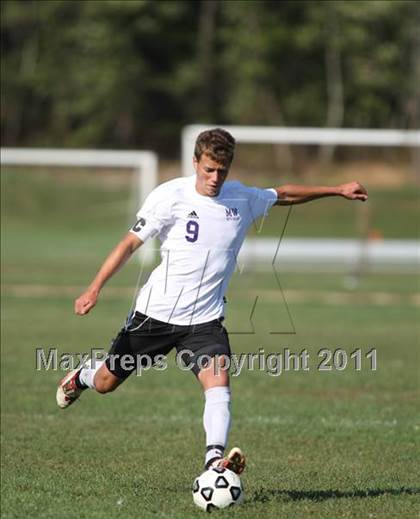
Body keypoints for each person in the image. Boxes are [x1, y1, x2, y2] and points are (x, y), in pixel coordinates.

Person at [56, 128, 367, 475]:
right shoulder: (169, 196)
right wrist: (95, 287)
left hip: (204, 321)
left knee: (218, 381)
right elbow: (130, 244)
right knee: (105, 384)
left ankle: (213, 461)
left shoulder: (240, 198)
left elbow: (282, 194)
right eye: (208, 170)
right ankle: (82, 376)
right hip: (154, 315)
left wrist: (337, 190)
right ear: (195, 162)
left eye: (222, 170)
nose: (215, 178)